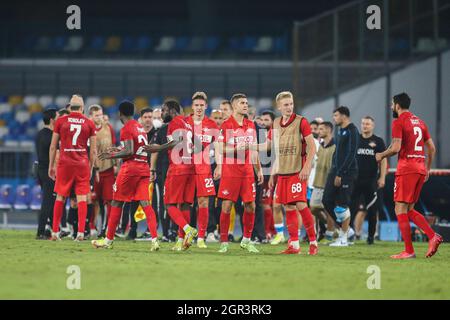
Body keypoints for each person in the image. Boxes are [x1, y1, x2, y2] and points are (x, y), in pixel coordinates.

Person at [375, 93, 442, 259]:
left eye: (392, 104)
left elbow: (396, 148)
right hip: (419, 169)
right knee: (409, 209)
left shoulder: (398, 121)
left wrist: (381, 155)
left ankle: (409, 250)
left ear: (397, 105)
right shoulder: (420, 122)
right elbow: (432, 148)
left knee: (399, 208)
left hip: (406, 169)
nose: (391, 107)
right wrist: (427, 168)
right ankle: (433, 236)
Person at [91, 101, 162, 251]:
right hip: (143, 167)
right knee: (145, 204)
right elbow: (135, 148)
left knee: (117, 202)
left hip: (130, 169)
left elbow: (129, 151)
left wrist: (111, 155)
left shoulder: (126, 129)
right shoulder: (139, 127)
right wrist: (118, 149)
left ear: (119, 114)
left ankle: (108, 240)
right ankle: (155, 240)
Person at [266, 91, 318, 255]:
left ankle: (313, 242)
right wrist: (247, 146)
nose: (289, 107)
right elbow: (268, 146)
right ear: (279, 106)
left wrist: (306, 167)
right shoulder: (275, 123)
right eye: (286, 104)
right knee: (288, 207)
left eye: (291, 104)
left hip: (298, 171)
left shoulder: (301, 121)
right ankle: (294, 245)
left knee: (301, 205)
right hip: (283, 173)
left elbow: (312, 147)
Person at [151, 99, 200, 251]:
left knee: (169, 204)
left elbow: (174, 143)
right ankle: (180, 241)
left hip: (177, 168)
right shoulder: (188, 123)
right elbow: (198, 146)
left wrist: (157, 148)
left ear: (172, 111)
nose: (162, 113)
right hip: (190, 167)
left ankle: (188, 229)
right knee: (185, 204)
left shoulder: (174, 123)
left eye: (164, 110)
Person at [217, 93, 263, 253]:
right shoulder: (226, 125)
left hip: (247, 172)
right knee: (227, 205)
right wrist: (236, 149)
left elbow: (254, 148)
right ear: (234, 105)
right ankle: (224, 241)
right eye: (242, 103)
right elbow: (220, 148)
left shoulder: (251, 125)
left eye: (247, 102)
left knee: (251, 205)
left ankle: (247, 240)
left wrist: (259, 169)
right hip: (231, 171)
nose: (246, 105)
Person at [49, 95, 97, 241]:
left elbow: (53, 146)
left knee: (61, 196)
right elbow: (93, 150)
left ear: (70, 107)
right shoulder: (89, 123)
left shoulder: (61, 121)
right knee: (82, 197)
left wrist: (51, 166)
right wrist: (90, 167)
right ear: (82, 108)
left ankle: (55, 232)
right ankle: (81, 233)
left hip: (65, 162)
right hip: (82, 163)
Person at [186, 92, 221, 248]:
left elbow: (218, 147)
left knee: (203, 201)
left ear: (206, 106)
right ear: (192, 107)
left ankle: (201, 237)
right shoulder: (185, 122)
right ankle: (185, 235)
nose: (199, 108)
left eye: (202, 105)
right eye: (196, 105)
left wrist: (219, 165)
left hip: (205, 168)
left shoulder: (212, 125)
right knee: (186, 203)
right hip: (186, 168)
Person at [323, 106, 359, 247]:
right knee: (326, 200)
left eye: (336, 115)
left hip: (347, 172)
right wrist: (334, 169)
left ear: (344, 116)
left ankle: (343, 238)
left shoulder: (352, 131)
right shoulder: (340, 131)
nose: (334, 118)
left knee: (342, 204)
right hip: (335, 171)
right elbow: (338, 153)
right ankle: (347, 230)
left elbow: (351, 154)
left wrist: (340, 173)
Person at [352, 116, 387, 245]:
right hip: (355, 180)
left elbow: (383, 160)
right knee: (351, 208)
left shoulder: (378, 141)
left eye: (367, 124)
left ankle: (371, 237)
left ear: (372, 126)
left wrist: (382, 177)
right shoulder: (355, 139)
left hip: (371, 182)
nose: (365, 126)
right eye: (363, 123)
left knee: (372, 210)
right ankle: (349, 234)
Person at [89, 104, 117, 239]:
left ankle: (108, 228)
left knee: (109, 201)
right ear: (91, 116)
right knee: (93, 200)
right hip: (94, 171)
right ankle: (91, 226)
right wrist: (94, 169)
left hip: (108, 170)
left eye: (100, 114)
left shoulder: (108, 128)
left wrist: (116, 164)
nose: (99, 117)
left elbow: (113, 146)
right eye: (96, 115)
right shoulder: (88, 129)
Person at [310, 121, 336, 242]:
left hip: (329, 182)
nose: (318, 132)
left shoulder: (335, 146)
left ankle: (329, 235)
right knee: (314, 207)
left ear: (329, 130)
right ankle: (333, 226)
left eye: (321, 129)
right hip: (317, 181)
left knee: (328, 208)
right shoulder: (320, 146)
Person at [35, 106, 58, 239]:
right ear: (51, 119)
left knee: (49, 201)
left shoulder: (39, 134)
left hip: (40, 170)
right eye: (57, 117)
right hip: (48, 171)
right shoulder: (51, 136)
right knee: (48, 202)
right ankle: (41, 232)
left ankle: (48, 229)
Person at [259, 110, 277, 241]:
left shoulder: (275, 136)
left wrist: (271, 176)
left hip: (271, 175)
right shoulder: (260, 135)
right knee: (266, 204)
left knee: (267, 204)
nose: (263, 122)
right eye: (262, 120)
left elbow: (276, 158)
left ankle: (269, 232)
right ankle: (273, 231)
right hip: (262, 174)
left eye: (267, 120)